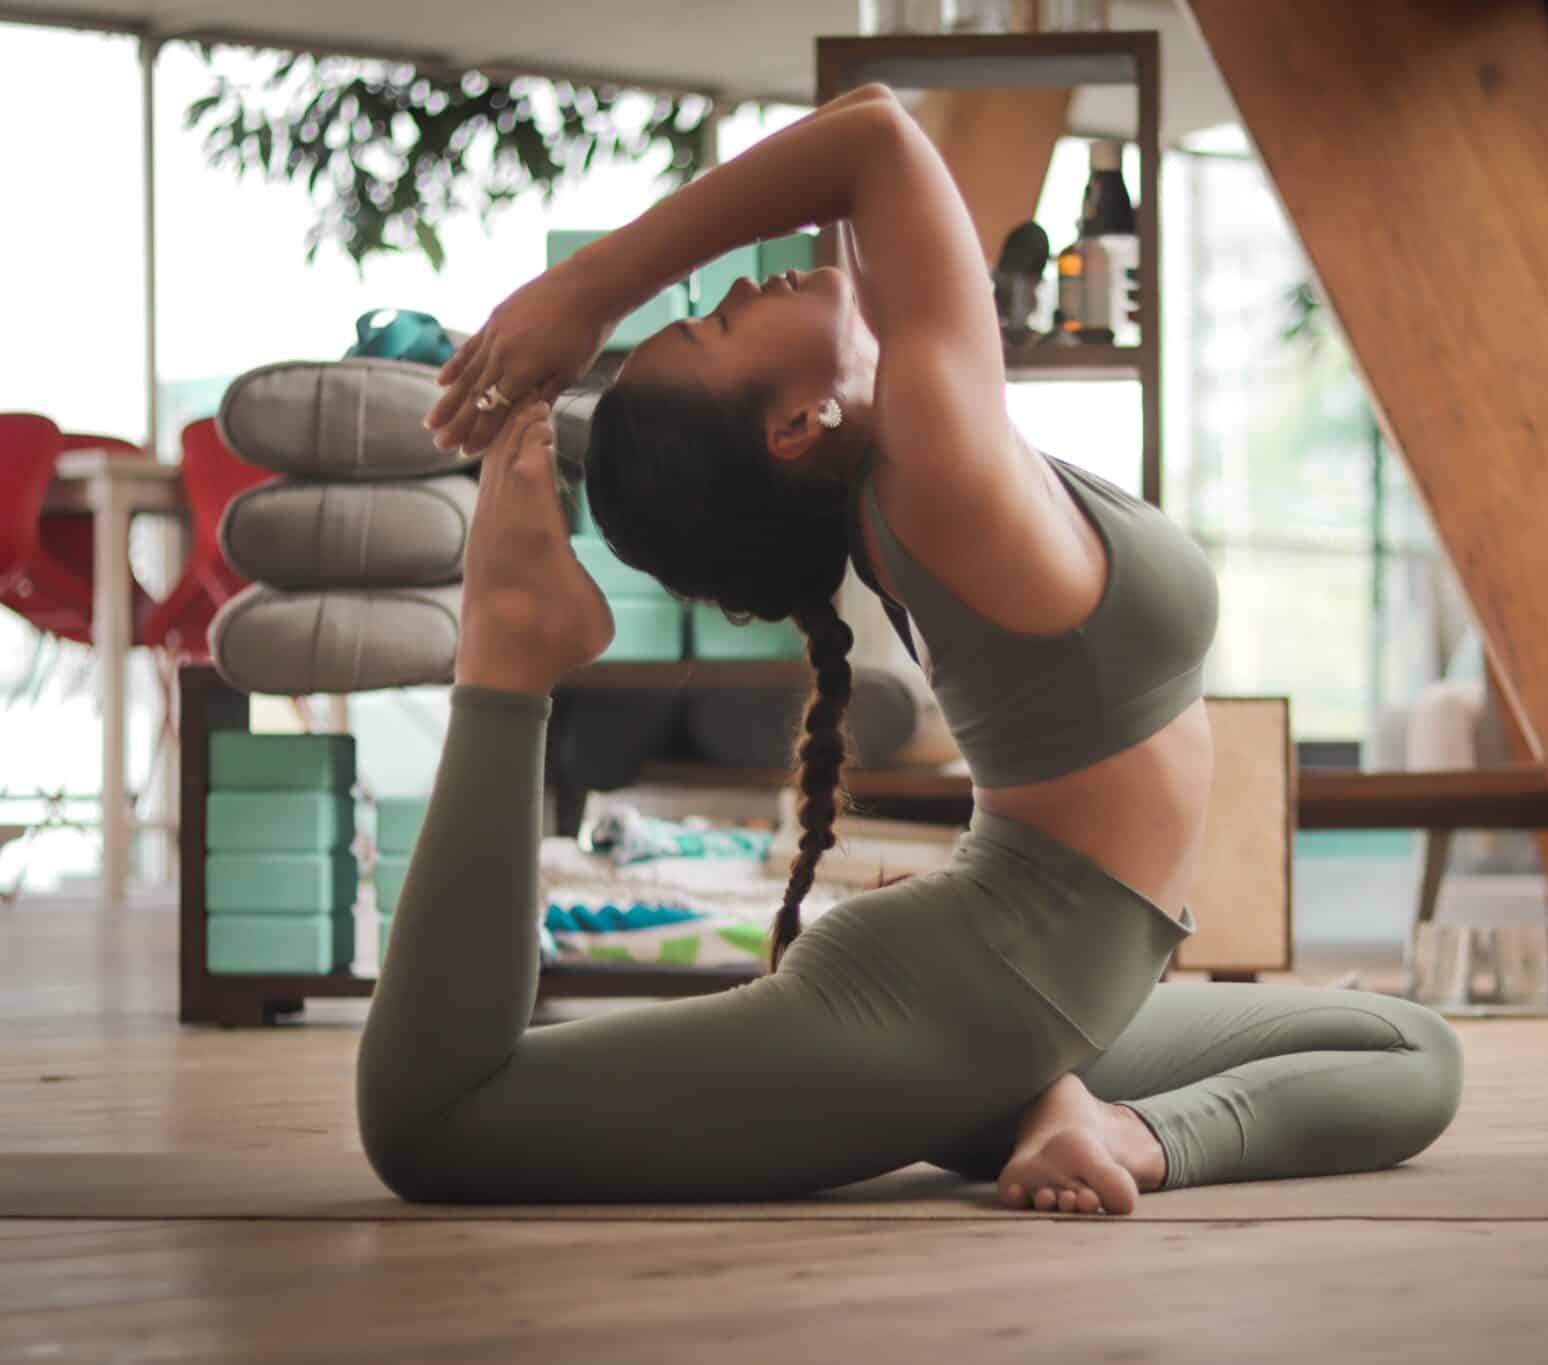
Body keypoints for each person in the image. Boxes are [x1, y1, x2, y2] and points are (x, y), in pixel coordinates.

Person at [358, 83, 1462, 1215]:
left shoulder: (908, 461)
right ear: (794, 428)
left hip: (1028, 999)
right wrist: (586, 292)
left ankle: (1085, 1120)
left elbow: (856, 202)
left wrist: (558, 383)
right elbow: (875, 135)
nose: (741, 284)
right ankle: (507, 645)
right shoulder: (937, 467)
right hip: (952, 1000)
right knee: (436, 1124)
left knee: (1408, 1050)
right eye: (721, 326)